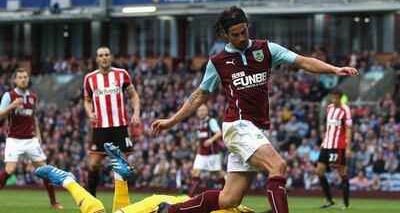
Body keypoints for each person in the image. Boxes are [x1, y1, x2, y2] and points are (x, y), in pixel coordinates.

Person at [151, 6, 358, 213]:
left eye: (244, 31)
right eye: (235, 34)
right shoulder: (218, 62)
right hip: (238, 125)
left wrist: (334, 69)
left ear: (248, 27)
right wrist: (171, 121)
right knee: (278, 166)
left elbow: (303, 62)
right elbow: (199, 95)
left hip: (256, 129)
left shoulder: (266, 49)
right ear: (225, 34)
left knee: (229, 199)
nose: (241, 37)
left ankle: (169, 211)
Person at [34, 143, 257, 213]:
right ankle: (67, 180)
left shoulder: (243, 210)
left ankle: (120, 177)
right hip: (161, 208)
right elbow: (211, 199)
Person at [0, 67, 63, 209]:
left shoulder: (33, 97)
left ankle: (54, 201)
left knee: (45, 170)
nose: (23, 79)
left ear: (28, 79)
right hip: (14, 139)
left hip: (30, 140)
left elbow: (33, 117)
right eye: (20, 77)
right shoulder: (8, 96)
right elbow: (0, 116)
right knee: (10, 169)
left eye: (25, 77)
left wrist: (39, 134)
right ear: (15, 80)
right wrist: (12, 106)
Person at [83, 46, 141, 197]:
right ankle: (92, 198)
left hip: (119, 126)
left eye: (106, 55)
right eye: (101, 55)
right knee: (94, 163)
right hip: (100, 127)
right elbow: (87, 100)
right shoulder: (90, 78)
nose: (104, 57)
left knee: (124, 165)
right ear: (97, 59)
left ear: (111, 57)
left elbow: (134, 95)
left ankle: (122, 202)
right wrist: (89, 112)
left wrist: (136, 113)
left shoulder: (121, 74)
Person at [317, 89, 352, 210]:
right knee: (319, 171)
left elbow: (348, 129)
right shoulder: (329, 108)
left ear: (341, 98)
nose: (334, 100)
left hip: (339, 145)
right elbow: (328, 127)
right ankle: (329, 199)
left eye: (337, 98)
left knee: (342, 173)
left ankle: (345, 203)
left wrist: (348, 147)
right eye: (333, 98)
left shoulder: (345, 110)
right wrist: (324, 138)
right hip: (326, 144)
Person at [188, 104, 225, 197]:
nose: (201, 112)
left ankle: (226, 191)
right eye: (199, 110)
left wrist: (211, 140)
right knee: (195, 172)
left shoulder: (211, 121)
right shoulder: (198, 123)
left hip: (212, 153)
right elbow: (200, 140)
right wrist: (197, 151)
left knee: (217, 173)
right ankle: (190, 196)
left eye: (203, 110)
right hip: (201, 153)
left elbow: (219, 133)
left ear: (207, 111)